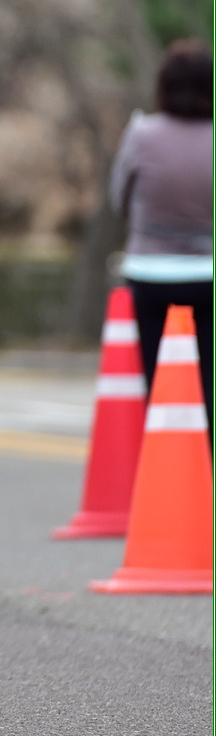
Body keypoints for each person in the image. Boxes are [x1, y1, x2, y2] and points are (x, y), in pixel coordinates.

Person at [109, 39, 212, 438]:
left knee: (157, 381)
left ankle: (162, 458)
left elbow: (119, 198)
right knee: (206, 384)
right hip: (208, 276)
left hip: (149, 274)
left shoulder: (141, 134)